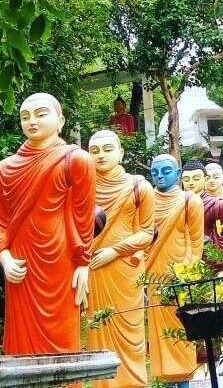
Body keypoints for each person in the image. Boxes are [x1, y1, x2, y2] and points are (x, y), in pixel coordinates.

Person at [0, 93, 95, 354]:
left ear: (60, 121)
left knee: (63, 335)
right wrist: (4, 258)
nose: (32, 121)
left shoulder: (76, 160)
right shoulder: (2, 170)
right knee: (22, 340)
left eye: (40, 114)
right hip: (20, 262)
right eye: (25, 117)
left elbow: (84, 216)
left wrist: (83, 263)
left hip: (60, 259)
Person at [87, 129, 154, 388]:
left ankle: (132, 383)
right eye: (94, 150)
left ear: (121, 153)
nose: (101, 155)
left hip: (125, 269)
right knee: (97, 328)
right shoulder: (82, 187)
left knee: (130, 330)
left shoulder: (139, 187)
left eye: (107, 149)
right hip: (93, 266)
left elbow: (147, 233)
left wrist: (114, 251)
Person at [146, 154, 204, 387]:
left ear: (178, 174)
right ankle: (168, 382)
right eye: (155, 172)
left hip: (180, 275)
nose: (160, 176)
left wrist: (185, 274)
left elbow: (196, 242)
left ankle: (184, 382)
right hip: (153, 273)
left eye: (166, 171)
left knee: (182, 328)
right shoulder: (146, 200)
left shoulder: (191, 201)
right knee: (160, 333)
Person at [181, 160, 223, 253]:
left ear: (205, 179)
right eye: (186, 179)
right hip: (183, 251)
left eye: (196, 178)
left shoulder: (217, 204)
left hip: (208, 252)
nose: (191, 183)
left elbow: (221, 236)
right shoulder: (178, 203)